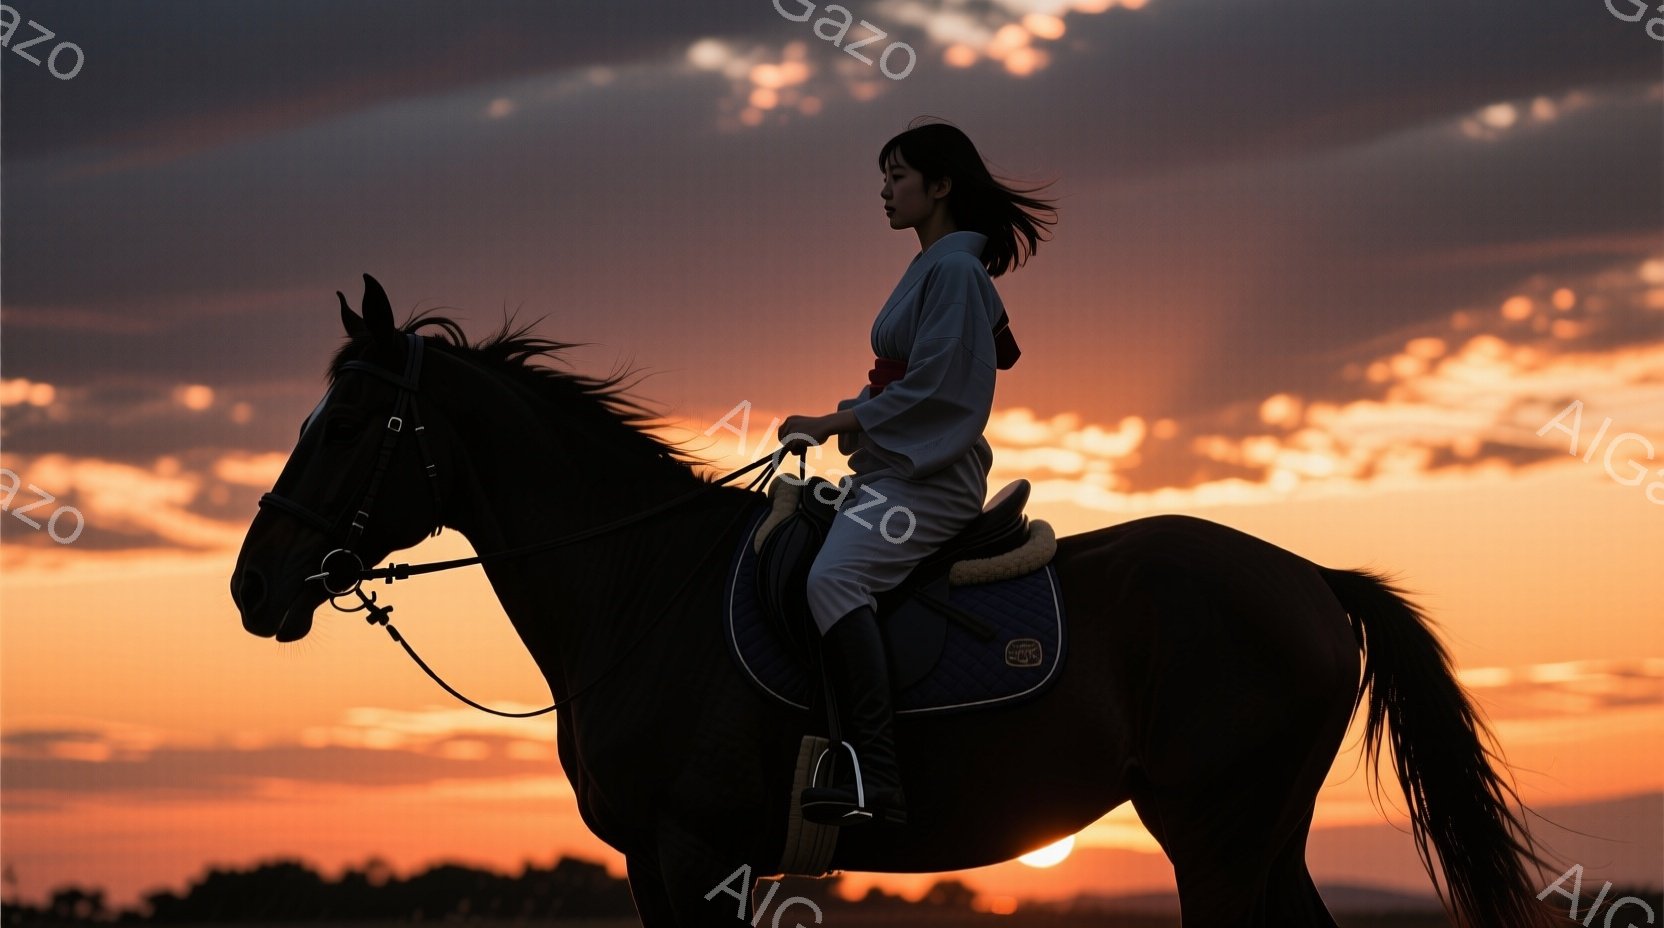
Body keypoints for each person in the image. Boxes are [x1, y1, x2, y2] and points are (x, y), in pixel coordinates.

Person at [777, 119, 1056, 826]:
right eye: (884, 177)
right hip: (899, 470)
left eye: (897, 177)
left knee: (833, 577)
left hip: (930, 481)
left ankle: (878, 775)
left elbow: (938, 390)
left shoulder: (956, 272)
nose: (884, 191)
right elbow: (905, 386)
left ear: (940, 187)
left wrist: (834, 422)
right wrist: (846, 417)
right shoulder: (936, 267)